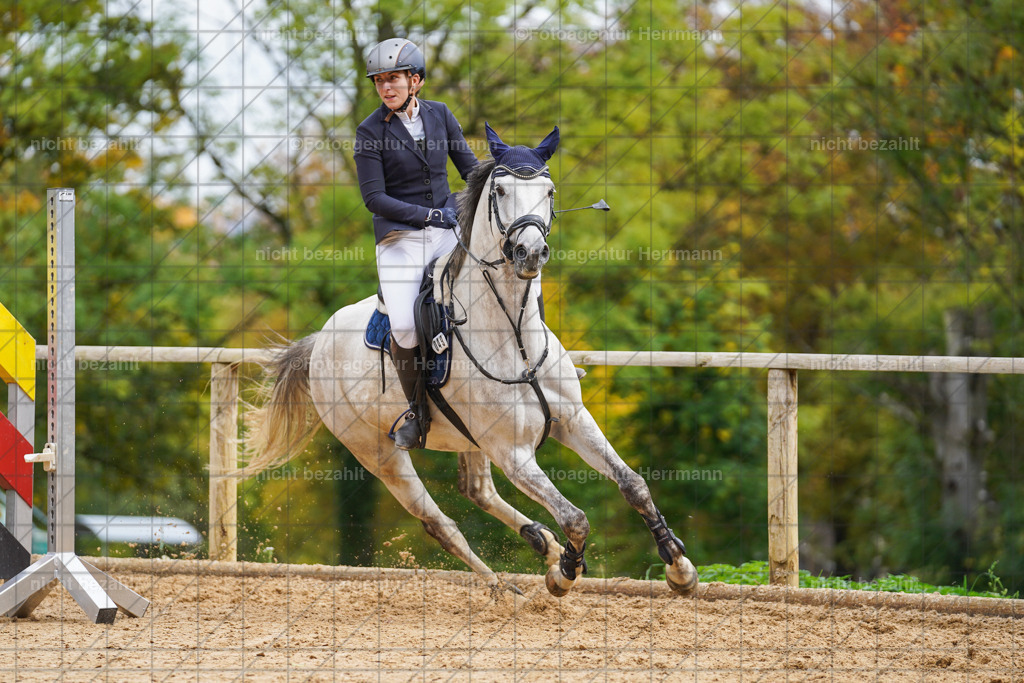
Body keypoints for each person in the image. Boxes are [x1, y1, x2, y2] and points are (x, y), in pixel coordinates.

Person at [353, 38, 479, 450]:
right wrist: (428, 215)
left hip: (446, 234)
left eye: (394, 78)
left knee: (506, 272)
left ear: (416, 81)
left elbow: (471, 172)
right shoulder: (369, 131)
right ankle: (416, 411)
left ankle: (540, 363)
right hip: (400, 240)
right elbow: (374, 198)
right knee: (405, 326)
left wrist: (508, 181)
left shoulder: (441, 114)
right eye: (379, 81)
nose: (386, 87)